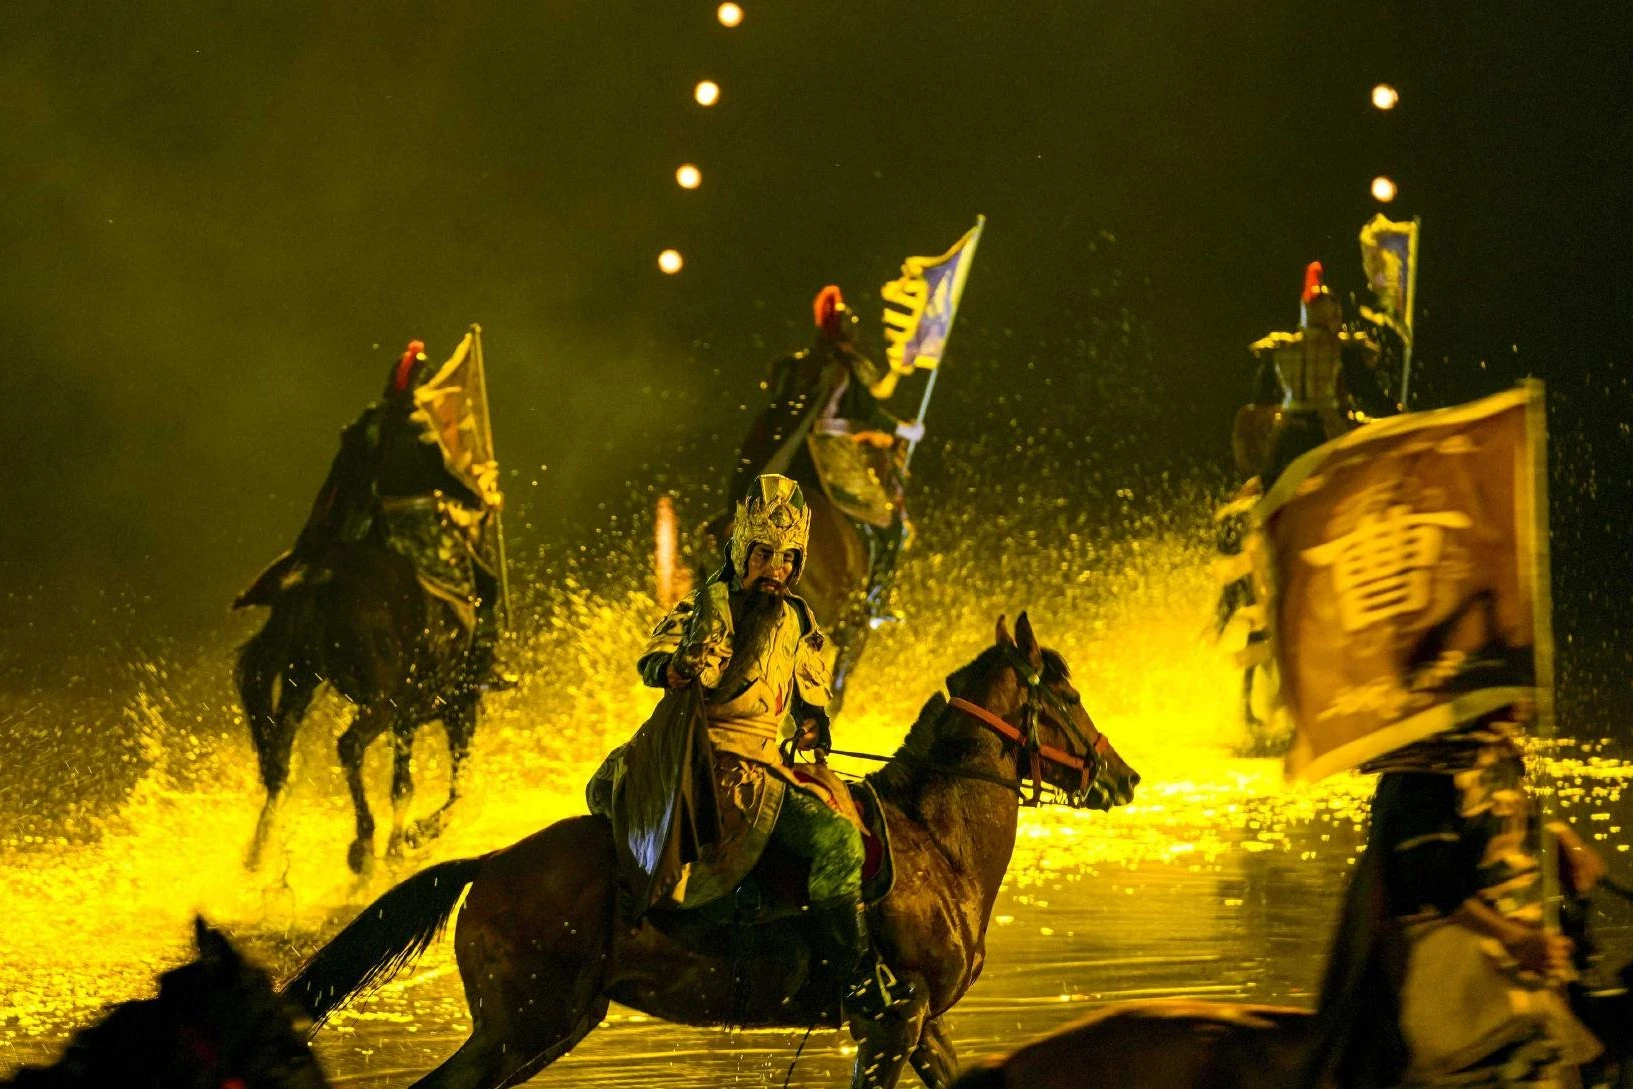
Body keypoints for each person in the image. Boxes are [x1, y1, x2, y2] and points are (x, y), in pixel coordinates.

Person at [594, 474, 912, 1022]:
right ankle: (857, 978)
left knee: (850, 815)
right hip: (710, 763)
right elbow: (658, 656)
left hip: (768, 761)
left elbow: (808, 692)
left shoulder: (798, 619)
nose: (776, 569)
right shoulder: (708, 604)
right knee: (839, 843)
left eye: (788, 559)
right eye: (765, 554)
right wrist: (674, 668)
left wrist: (812, 725)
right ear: (742, 552)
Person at [1305, 710, 1604, 1088]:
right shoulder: (1427, 769)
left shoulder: (1495, 749)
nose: (1525, 702)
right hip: (1453, 980)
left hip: (1509, 967)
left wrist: (1559, 837)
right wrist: (1518, 941)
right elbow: (1432, 882)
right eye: (1513, 694)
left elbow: (1503, 812)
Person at [235, 340, 512, 690]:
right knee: (483, 582)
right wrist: (480, 499)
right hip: (418, 528)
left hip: (371, 523)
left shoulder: (367, 424)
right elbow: (439, 476)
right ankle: (479, 668)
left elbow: (346, 475)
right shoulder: (418, 426)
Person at [731, 286, 923, 624]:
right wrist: (905, 431)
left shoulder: (799, 365)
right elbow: (866, 409)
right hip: (831, 459)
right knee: (890, 524)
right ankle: (875, 601)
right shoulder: (846, 369)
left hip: (795, 459)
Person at [1254, 262, 1395, 489]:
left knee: (1270, 483)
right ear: (1331, 312)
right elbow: (1368, 392)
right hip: (1327, 430)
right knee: (1363, 480)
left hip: (1286, 434)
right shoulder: (1341, 349)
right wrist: (1398, 416)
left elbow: (1262, 397)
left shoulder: (1280, 348)